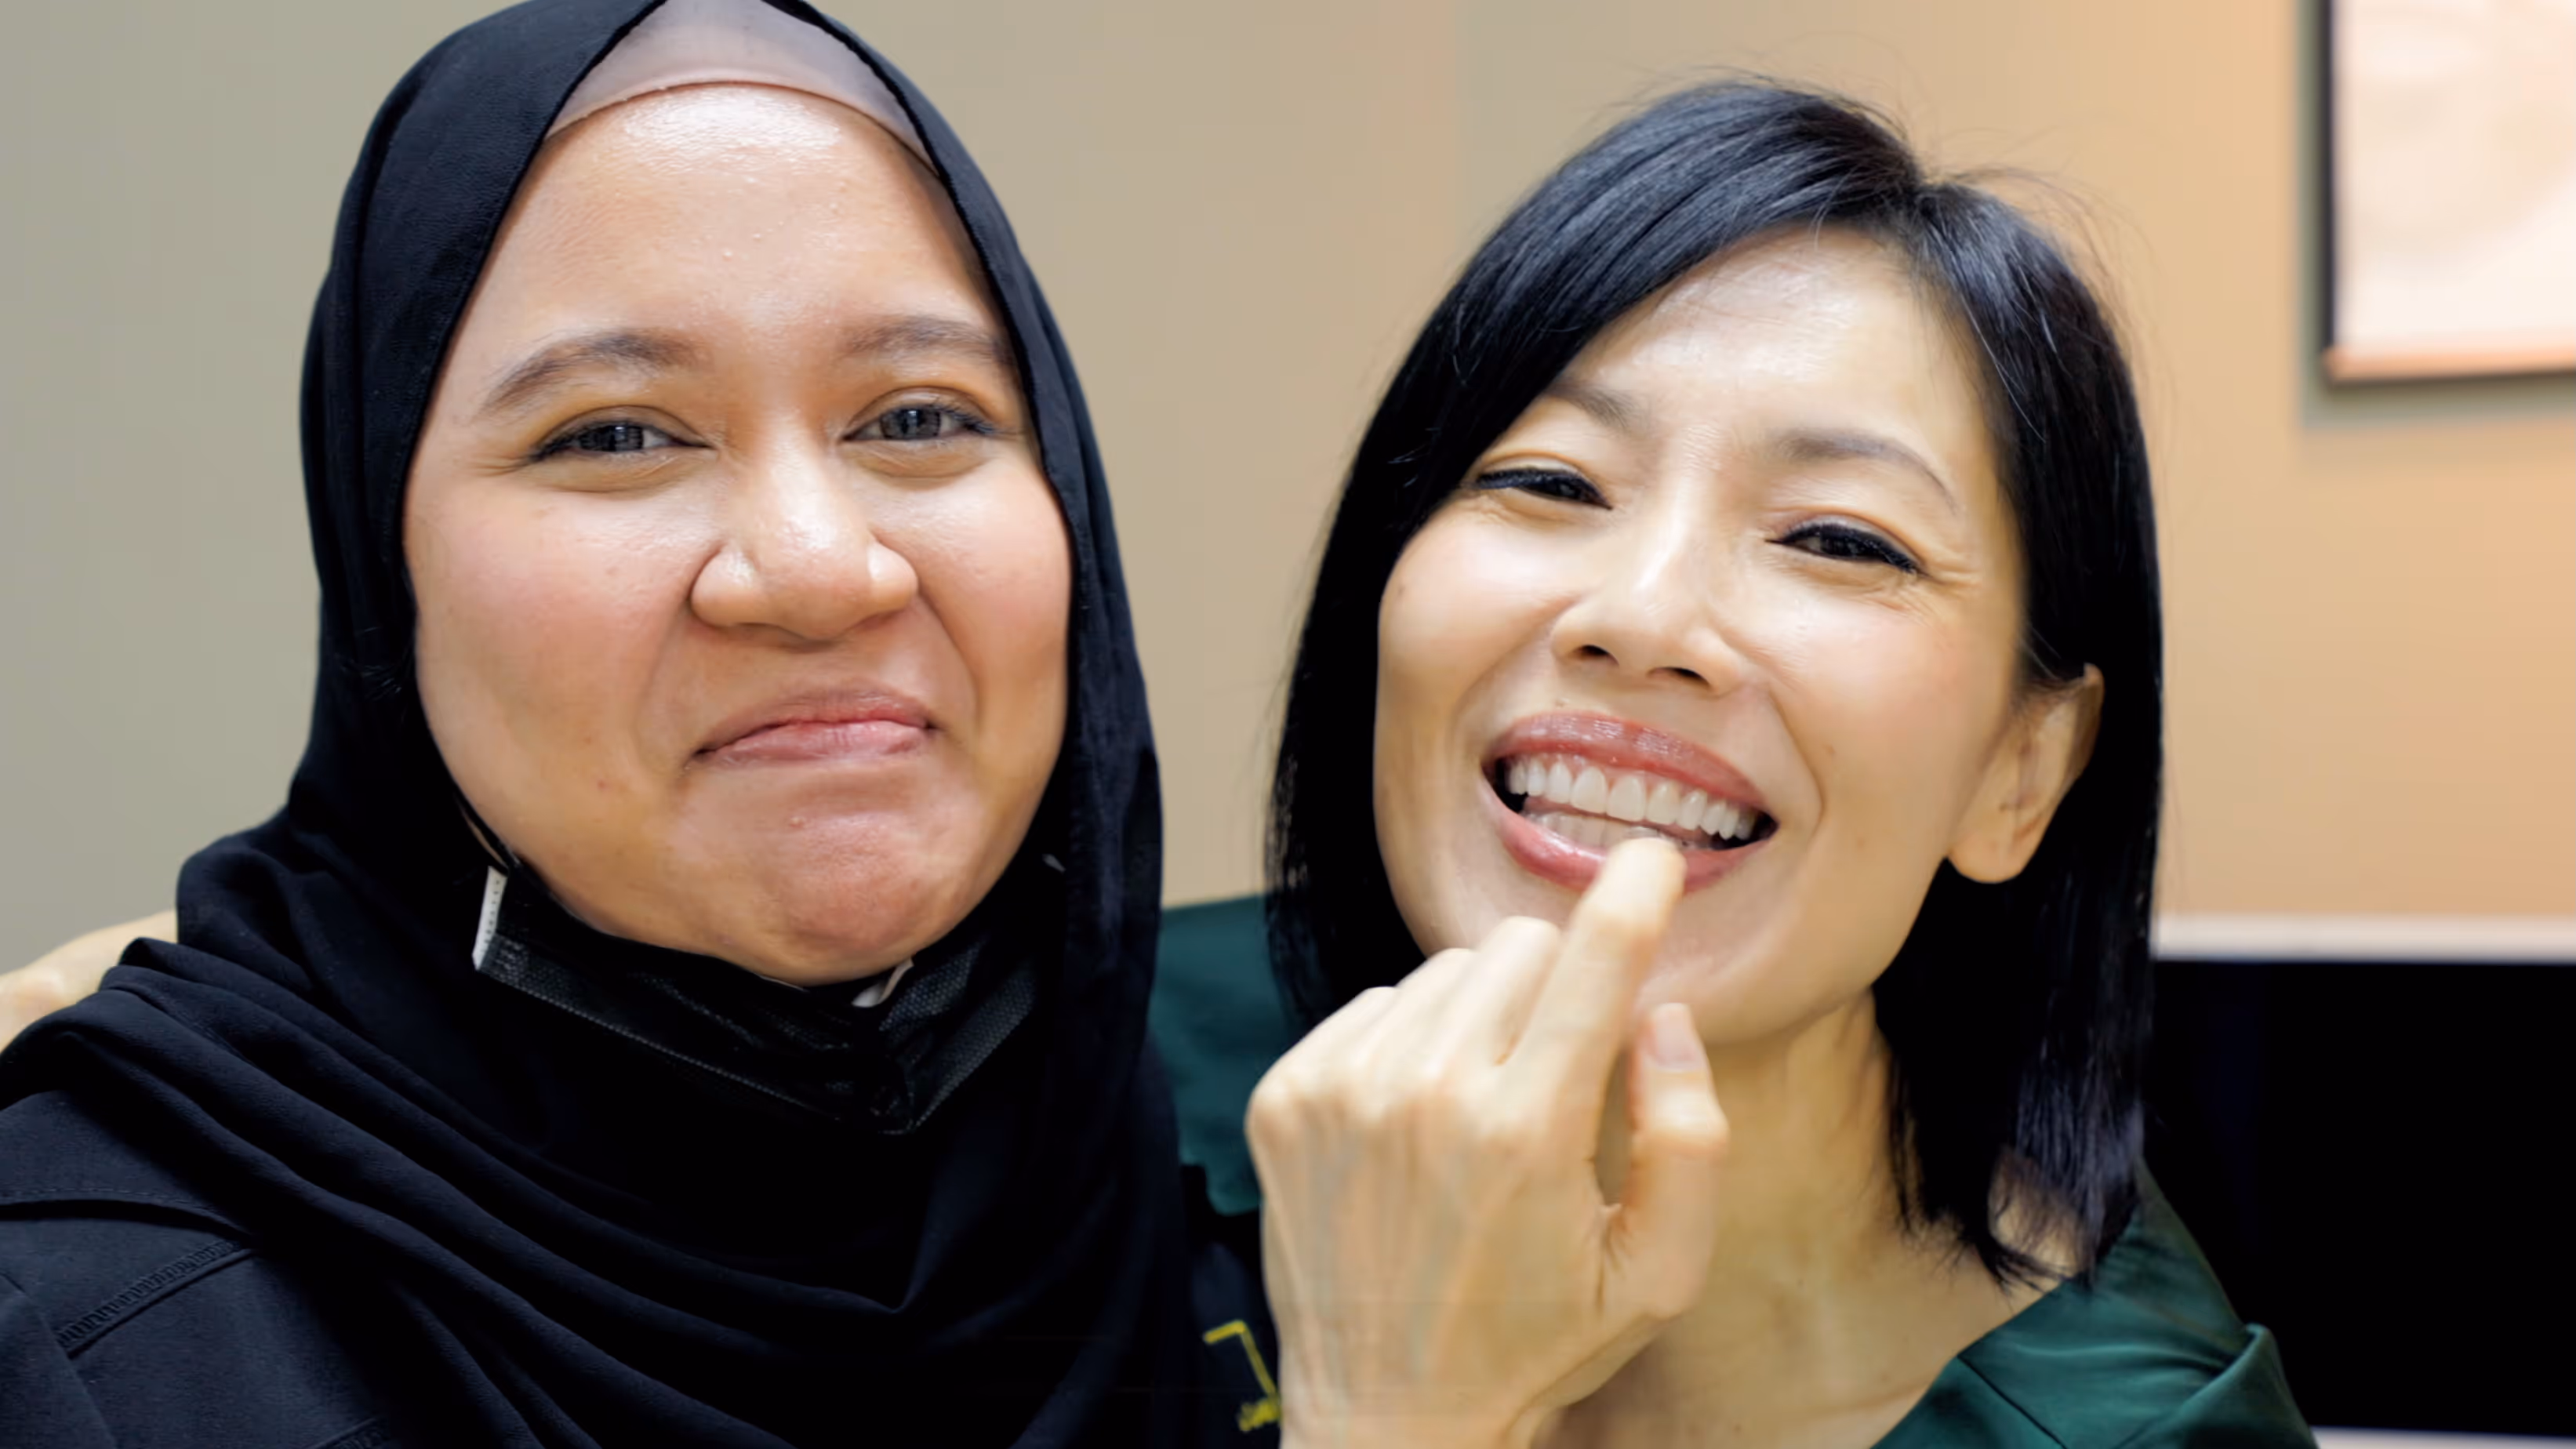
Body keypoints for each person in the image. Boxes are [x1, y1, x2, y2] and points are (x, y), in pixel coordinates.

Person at [0, 1, 1277, 1444]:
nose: (815, 570)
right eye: (613, 434)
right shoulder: (91, 1330)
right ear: (383, 574)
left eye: (919, 417)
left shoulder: (1302, 1184)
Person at [1240, 85, 2315, 1444]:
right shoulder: (1117, 1066)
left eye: (1841, 541)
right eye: (1552, 482)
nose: (1640, 616)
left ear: (2023, 769)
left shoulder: (2143, 1430)